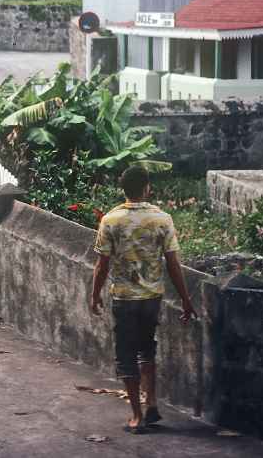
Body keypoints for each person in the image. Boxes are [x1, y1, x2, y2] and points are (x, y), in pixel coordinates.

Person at [90, 165, 197, 435]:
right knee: (147, 349)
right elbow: (174, 264)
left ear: (123, 189)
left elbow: (101, 265)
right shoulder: (163, 219)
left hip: (124, 298)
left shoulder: (111, 220)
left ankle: (137, 416)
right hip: (152, 297)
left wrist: (94, 295)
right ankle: (151, 403)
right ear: (147, 187)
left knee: (126, 355)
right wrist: (186, 299)